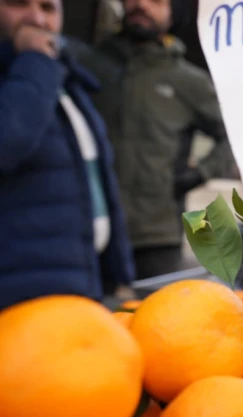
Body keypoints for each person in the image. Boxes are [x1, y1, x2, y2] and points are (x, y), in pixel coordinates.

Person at [68, 0, 235, 279]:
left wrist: (199, 174)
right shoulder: (90, 66)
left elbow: (231, 135)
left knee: (155, 316)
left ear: (173, 13)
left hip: (156, 235)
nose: (141, 5)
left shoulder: (188, 81)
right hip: (91, 227)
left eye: (156, 1)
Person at [0, 0, 135, 311]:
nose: (36, 18)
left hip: (81, 292)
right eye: (18, 3)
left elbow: (96, 184)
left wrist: (121, 275)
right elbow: (9, 142)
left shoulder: (63, 81)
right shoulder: (37, 71)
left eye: (48, 8)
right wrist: (34, 60)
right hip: (21, 304)